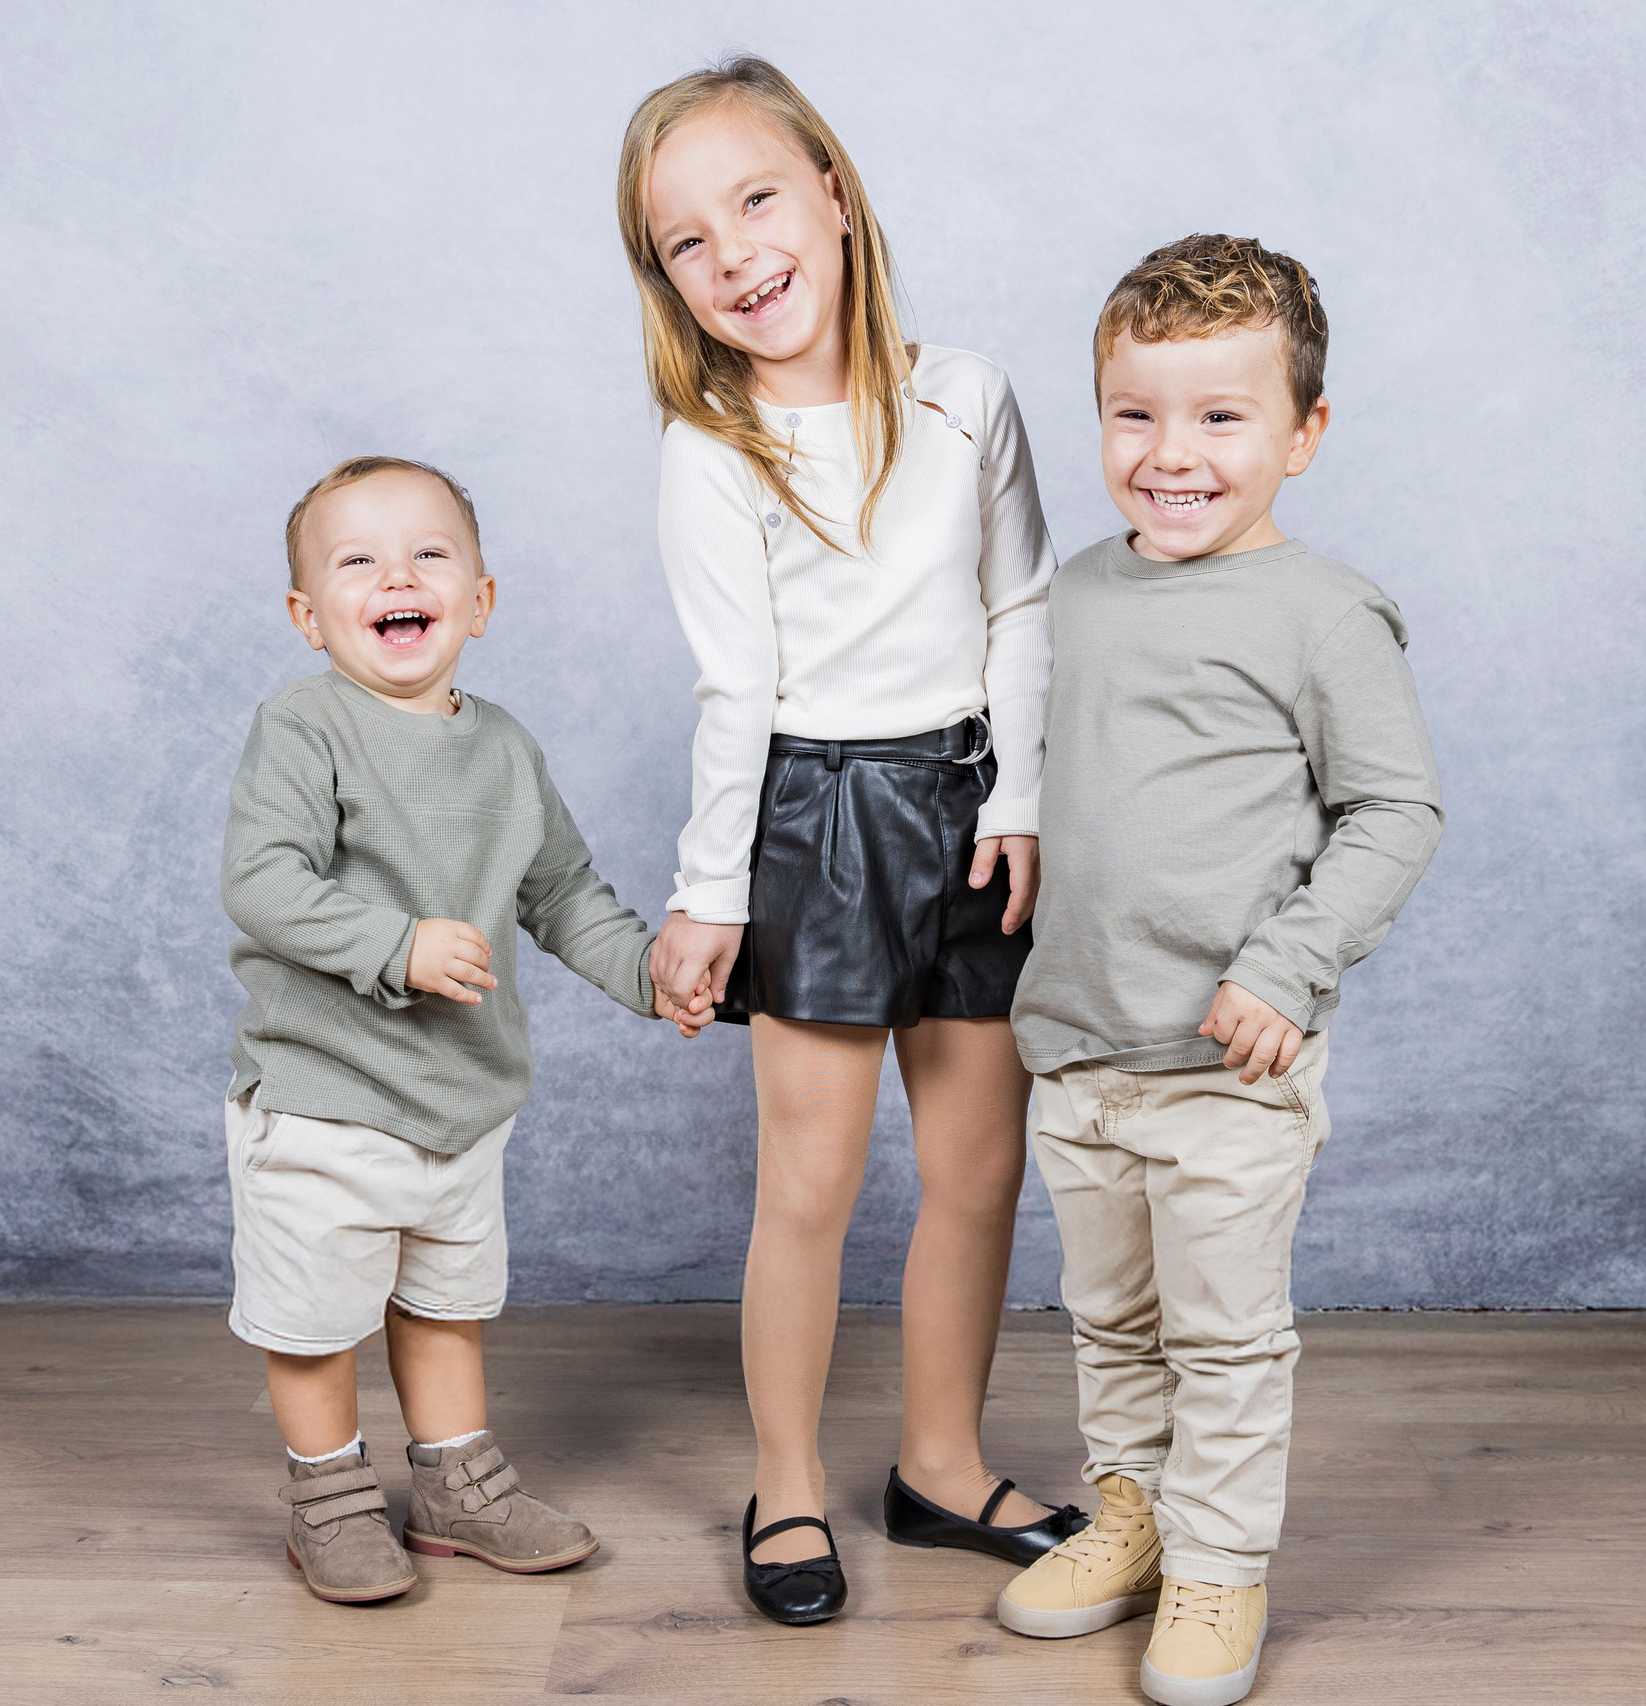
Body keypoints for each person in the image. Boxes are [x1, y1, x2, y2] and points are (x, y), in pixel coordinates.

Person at [615, 55, 1085, 1625]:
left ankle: (942, 1463)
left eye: (756, 197)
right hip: (813, 818)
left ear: (832, 187)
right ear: (667, 281)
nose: (735, 251)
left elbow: (1020, 597)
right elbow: (735, 687)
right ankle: (791, 1483)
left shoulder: (967, 394)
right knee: (809, 1184)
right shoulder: (713, 452)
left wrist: (1017, 790)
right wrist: (704, 898)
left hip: (968, 810)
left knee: (977, 1163)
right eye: (687, 239)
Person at [996, 236, 1445, 1706]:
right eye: (1136, 413)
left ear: (1303, 434)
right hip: (1077, 1046)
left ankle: (1219, 1563)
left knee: (1225, 1338)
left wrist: (1290, 965)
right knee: (1112, 1321)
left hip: (1229, 1068)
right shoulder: (1071, 594)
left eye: (1219, 417)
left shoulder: (1324, 611)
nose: (1169, 454)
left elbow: (1395, 810)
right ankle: (1129, 1514)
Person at [221, 456, 674, 1603]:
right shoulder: (305, 724)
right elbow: (262, 881)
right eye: (356, 560)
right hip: (328, 1096)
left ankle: (457, 1489)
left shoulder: (506, 746)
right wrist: (397, 941)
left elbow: (564, 892)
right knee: (321, 1322)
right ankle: (327, 1496)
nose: (396, 576)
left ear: (478, 597)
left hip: (460, 1102)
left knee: (444, 1304)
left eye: (429, 553)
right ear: (307, 614)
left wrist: (648, 972)